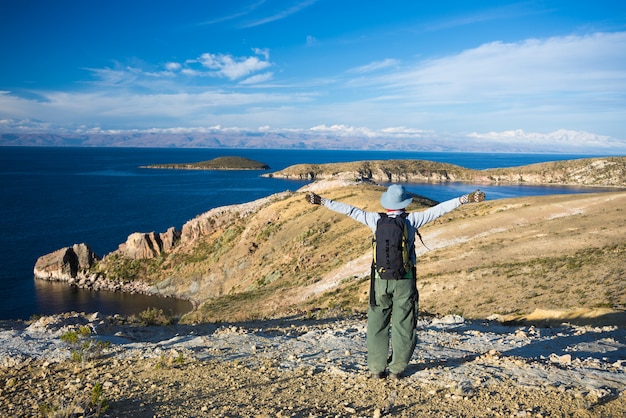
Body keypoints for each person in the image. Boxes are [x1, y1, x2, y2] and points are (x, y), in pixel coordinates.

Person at [306, 184, 485, 379]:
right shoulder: (412, 220)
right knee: (404, 323)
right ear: (405, 204)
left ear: (387, 204)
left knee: (377, 324)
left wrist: (322, 201)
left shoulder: (374, 219)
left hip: (379, 280)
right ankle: (397, 369)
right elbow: (439, 210)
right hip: (405, 280)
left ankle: (376, 368)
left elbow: (349, 210)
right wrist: (463, 199)